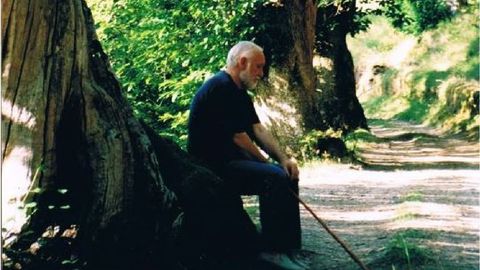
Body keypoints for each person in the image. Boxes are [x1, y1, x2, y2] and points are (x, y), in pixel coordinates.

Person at [188, 41, 306, 270]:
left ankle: (290, 248)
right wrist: (267, 163)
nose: (262, 73)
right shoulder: (220, 87)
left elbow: (258, 130)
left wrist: (283, 160)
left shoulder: (238, 91)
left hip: (231, 162)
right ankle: (273, 252)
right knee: (274, 177)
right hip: (212, 167)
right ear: (242, 62)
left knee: (287, 173)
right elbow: (238, 138)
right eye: (258, 67)